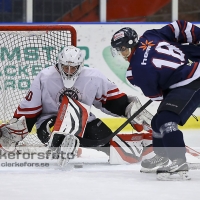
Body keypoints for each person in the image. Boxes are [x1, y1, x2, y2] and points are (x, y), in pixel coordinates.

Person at [0, 46, 152, 165]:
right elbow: (30, 109)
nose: (69, 71)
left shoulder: (93, 77)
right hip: (50, 122)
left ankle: (142, 146)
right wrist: (13, 133)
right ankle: (63, 140)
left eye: (73, 68)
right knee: (53, 134)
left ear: (81, 65)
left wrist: (128, 108)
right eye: (65, 67)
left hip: (83, 120)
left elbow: (112, 100)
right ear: (59, 64)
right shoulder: (45, 77)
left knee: (108, 141)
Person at [110, 20, 200, 180]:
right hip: (193, 67)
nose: (122, 54)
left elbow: (157, 96)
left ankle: (179, 162)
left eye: (122, 49)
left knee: (166, 120)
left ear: (130, 45)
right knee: (157, 122)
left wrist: (168, 87)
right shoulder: (150, 35)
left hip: (192, 80)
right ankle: (162, 155)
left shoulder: (134, 72)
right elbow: (179, 26)